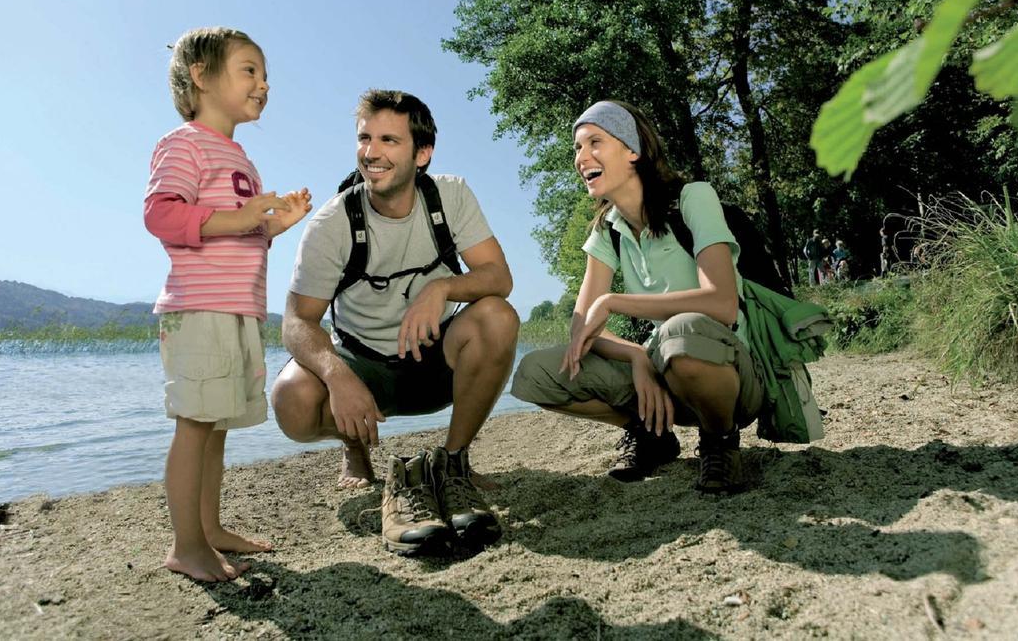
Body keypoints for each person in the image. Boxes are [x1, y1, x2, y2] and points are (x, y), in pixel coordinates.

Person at [271, 89, 518, 555]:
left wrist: (441, 288)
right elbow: (296, 322)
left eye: (389, 140)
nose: (371, 152)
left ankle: (454, 462)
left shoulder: (452, 196)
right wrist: (337, 375)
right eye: (364, 138)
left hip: (438, 361)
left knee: (498, 317)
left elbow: (498, 277)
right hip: (364, 369)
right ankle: (357, 448)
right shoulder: (331, 224)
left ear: (422, 154)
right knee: (290, 400)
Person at [510, 100, 765, 494]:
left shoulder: (693, 198)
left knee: (681, 332)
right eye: (577, 147)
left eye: (595, 141)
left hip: (726, 374)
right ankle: (651, 433)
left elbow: (722, 303)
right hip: (664, 367)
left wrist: (616, 302)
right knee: (535, 374)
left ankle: (719, 441)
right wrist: (638, 357)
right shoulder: (607, 230)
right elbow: (582, 330)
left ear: (633, 151)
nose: (581, 157)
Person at [144, 27, 312, 582]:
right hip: (198, 310)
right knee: (194, 425)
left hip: (236, 310)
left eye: (265, 77)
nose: (263, 85)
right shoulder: (184, 143)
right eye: (249, 70)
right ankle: (185, 545)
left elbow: (237, 236)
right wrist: (242, 219)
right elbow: (162, 215)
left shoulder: (239, 156)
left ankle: (209, 529)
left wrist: (271, 230)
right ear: (201, 75)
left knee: (213, 427)